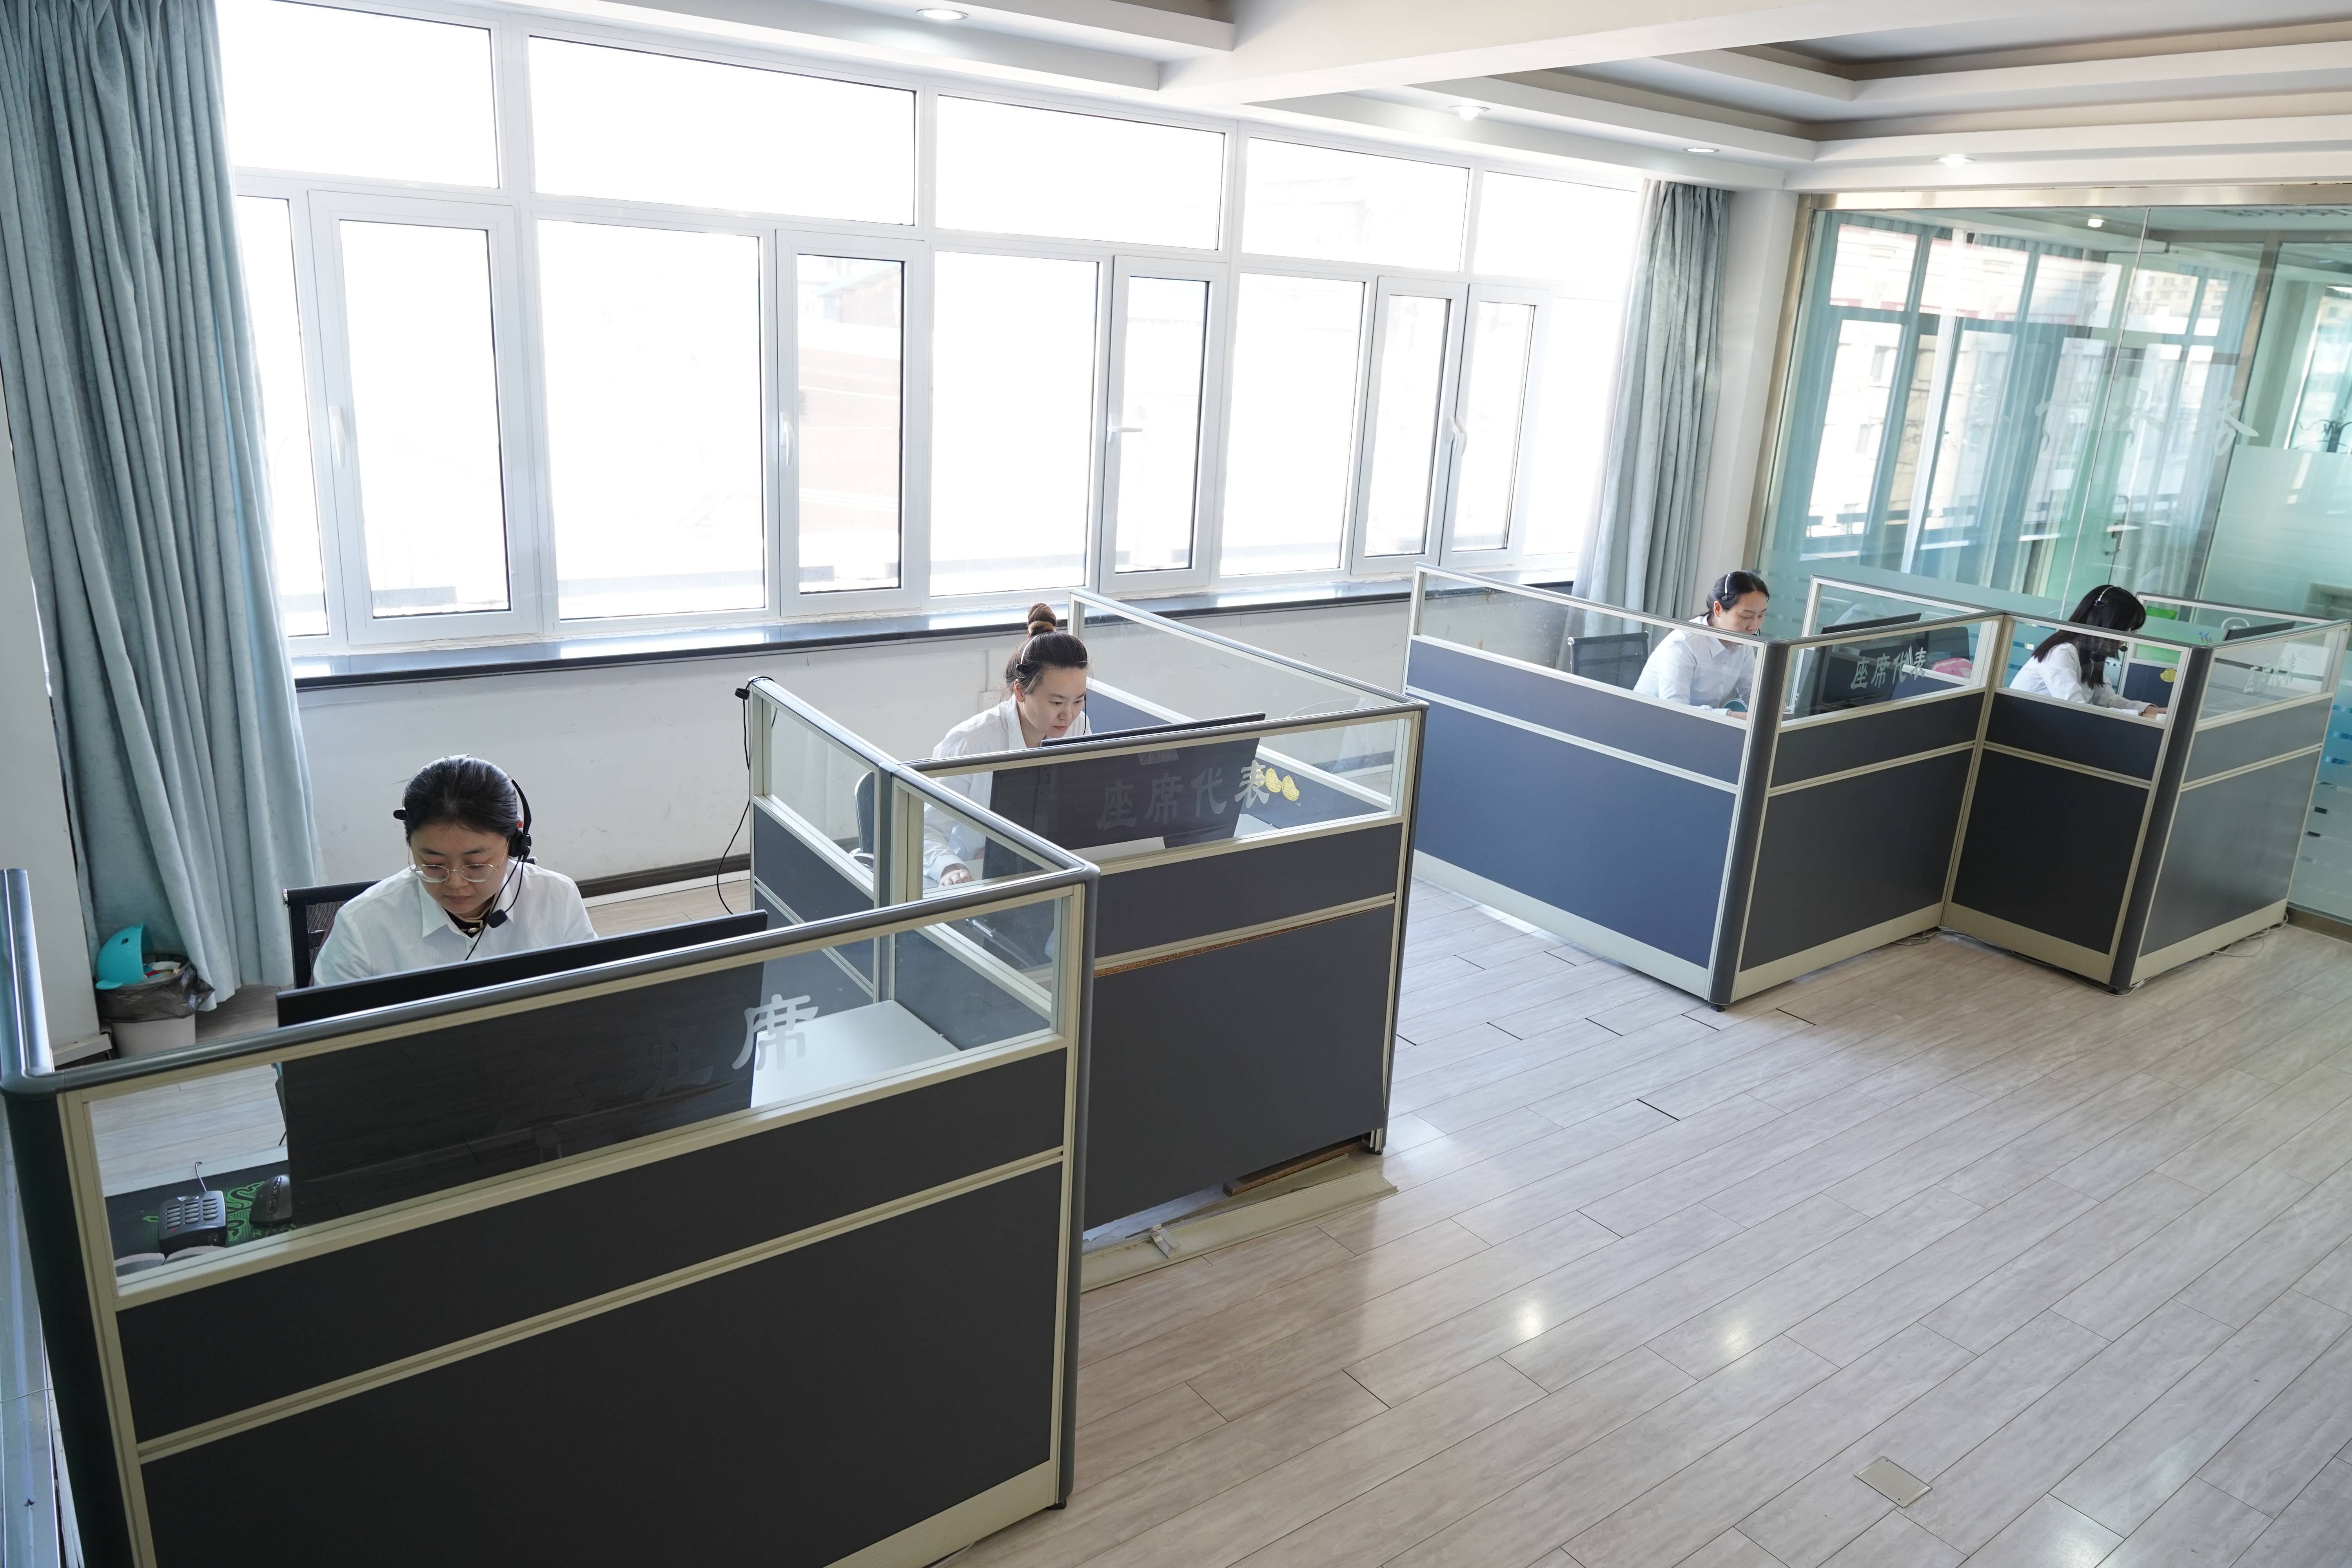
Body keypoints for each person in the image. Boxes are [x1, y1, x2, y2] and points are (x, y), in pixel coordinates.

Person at [310, 755, 596, 985]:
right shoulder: (362, 925)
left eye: (476, 865)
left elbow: (593, 997)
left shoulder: (556, 897)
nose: (456, 883)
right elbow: (326, 1035)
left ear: (515, 841)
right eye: (433, 865)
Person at [927, 604, 1092, 886]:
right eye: (1056, 702)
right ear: (1021, 691)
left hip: (1051, 870)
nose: (1069, 715)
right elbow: (924, 828)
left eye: (1079, 700)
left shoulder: (1079, 726)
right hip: (979, 876)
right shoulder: (970, 742)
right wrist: (949, 868)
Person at [2011, 583, 2164, 715]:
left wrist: (2148, 710)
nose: (2126, 636)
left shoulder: (2089, 655)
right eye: (2126, 628)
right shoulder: (2061, 653)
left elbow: (2107, 699)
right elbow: (2076, 709)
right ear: (2105, 624)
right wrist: (2141, 716)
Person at [1633, 570, 1770, 712]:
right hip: (1652, 720)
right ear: (1718, 609)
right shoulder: (1682, 644)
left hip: (1700, 723)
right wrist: (1730, 716)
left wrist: (1774, 712)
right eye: (1746, 616)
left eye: (1761, 616)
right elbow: (1675, 710)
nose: (1754, 626)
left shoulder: (1742, 644)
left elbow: (1753, 694)